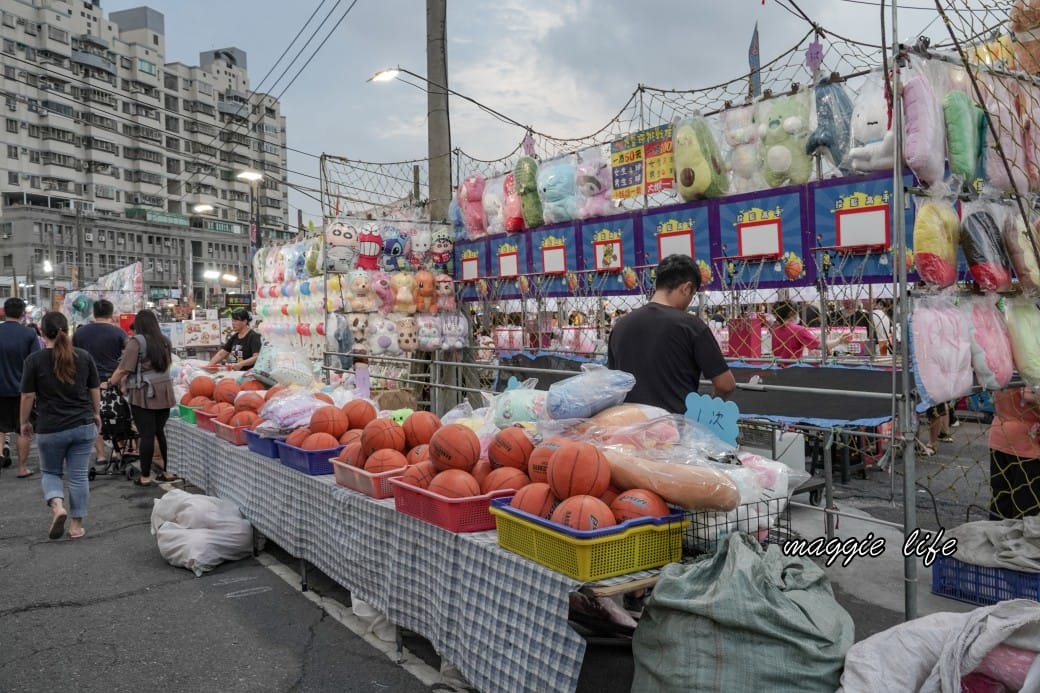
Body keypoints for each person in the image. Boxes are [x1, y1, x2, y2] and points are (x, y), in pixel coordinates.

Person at [607, 254, 735, 413]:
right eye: (692, 295)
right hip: (676, 429)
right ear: (686, 288)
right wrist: (705, 411)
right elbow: (726, 384)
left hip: (631, 428)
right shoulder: (691, 326)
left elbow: (613, 384)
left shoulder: (620, 326)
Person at [19, 311, 100, 539]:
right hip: (82, 424)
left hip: (50, 426)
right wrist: (96, 413)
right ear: (68, 330)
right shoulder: (83, 356)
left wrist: (24, 422)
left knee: (50, 472)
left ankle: (57, 506)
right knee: (78, 475)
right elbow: (94, 388)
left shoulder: (34, 360)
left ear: (42, 333)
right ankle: (75, 526)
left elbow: (27, 396)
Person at [109, 310, 176, 487]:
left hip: (144, 393)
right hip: (165, 391)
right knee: (159, 432)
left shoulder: (136, 342)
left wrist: (110, 382)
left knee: (146, 434)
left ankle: (145, 476)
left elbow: (124, 369)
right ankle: (166, 471)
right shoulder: (165, 341)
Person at [72, 299, 128, 462]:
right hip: (113, 382)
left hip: (87, 383)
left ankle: (101, 455)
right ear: (111, 314)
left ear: (94, 313)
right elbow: (126, 360)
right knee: (117, 416)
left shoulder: (79, 334)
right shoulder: (119, 333)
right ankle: (119, 452)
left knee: (94, 418)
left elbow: (72, 356)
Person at [0, 297, 41, 478]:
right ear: (23, 314)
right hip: (23, 390)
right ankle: (22, 468)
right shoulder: (29, 334)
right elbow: (35, 363)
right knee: (23, 428)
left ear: (4, 311)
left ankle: (0, 455)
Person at [987, 387, 1040, 520]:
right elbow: (1029, 397)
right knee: (1026, 506)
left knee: (1001, 500)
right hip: (1027, 442)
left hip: (1000, 433)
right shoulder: (1028, 366)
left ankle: (998, 536)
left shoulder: (1005, 365)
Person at [770, 301, 852, 361]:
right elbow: (821, 346)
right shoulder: (798, 330)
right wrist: (839, 340)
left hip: (779, 367)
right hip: (793, 367)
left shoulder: (775, 330)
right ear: (792, 313)